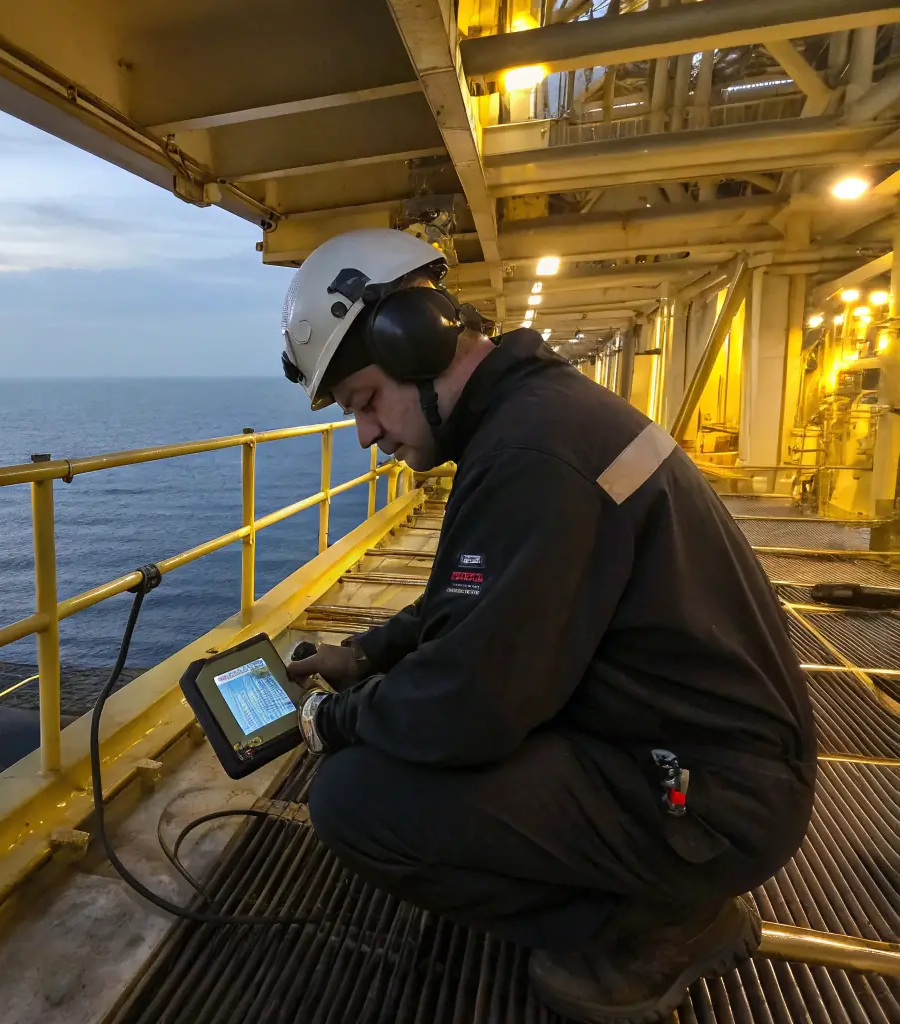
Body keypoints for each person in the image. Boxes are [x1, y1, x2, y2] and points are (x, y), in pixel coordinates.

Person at [278, 229, 816, 1024]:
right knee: (401, 716)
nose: (366, 434)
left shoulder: (533, 454)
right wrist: (366, 654)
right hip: (705, 757)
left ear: (415, 343)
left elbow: (470, 711)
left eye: (364, 401)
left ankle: (655, 927)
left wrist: (337, 717)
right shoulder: (538, 418)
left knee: (355, 798)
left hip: (709, 804)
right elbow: (470, 603)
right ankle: (642, 895)